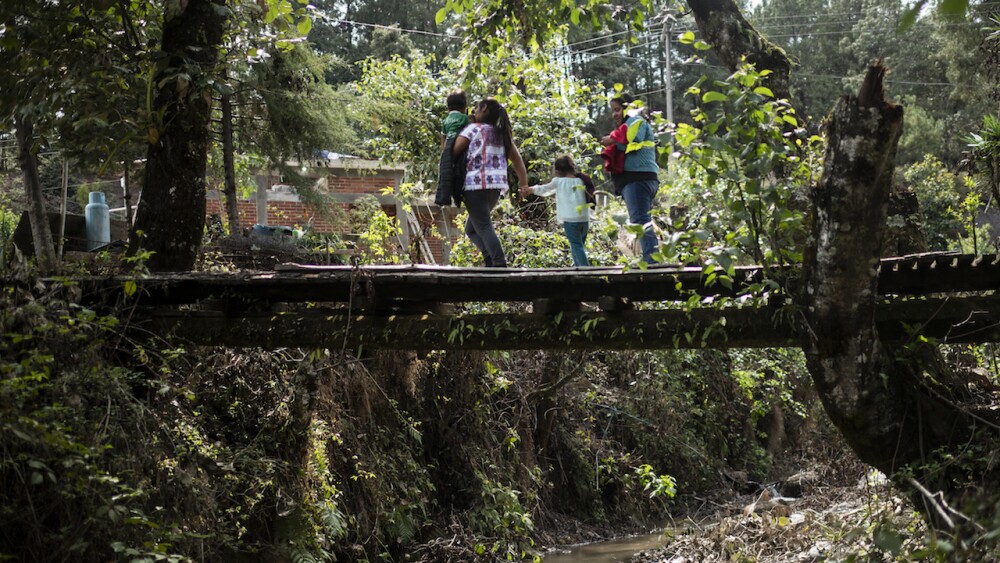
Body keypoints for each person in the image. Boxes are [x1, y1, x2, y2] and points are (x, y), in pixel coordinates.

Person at [451, 98, 528, 267]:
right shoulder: (502, 134)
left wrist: (447, 136)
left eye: (476, 108)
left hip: (474, 186)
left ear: (484, 108)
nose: (473, 111)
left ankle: (499, 264)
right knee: (471, 229)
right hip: (495, 188)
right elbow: (517, 161)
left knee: (484, 226)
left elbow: (452, 151)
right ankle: (489, 259)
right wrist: (523, 185)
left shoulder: (473, 129)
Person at [600, 92, 660, 264]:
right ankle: (650, 259)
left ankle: (652, 262)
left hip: (638, 179)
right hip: (639, 179)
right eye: (613, 110)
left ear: (628, 108)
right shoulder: (628, 125)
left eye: (618, 109)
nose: (615, 114)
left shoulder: (636, 121)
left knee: (641, 221)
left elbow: (634, 140)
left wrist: (612, 140)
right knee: (641, 220)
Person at [520, 155, 592, 267]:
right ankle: (578, 268)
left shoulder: (558, 181)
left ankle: (586, 270)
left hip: (570, 220)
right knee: (578, 246)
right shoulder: (581, 180)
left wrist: (531, 190)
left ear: (557, 170)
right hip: (584, 219)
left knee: (576, 245)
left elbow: (545, 189)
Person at [435, 90, 471, 207]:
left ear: (448, 107)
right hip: (460, 147)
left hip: (448, 147)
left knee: (446, 175)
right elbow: (470, 132)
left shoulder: (445, 121)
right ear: (464, 107)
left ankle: (444, 197)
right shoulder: (464, 118)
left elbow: (443, 138)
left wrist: (445, 153)